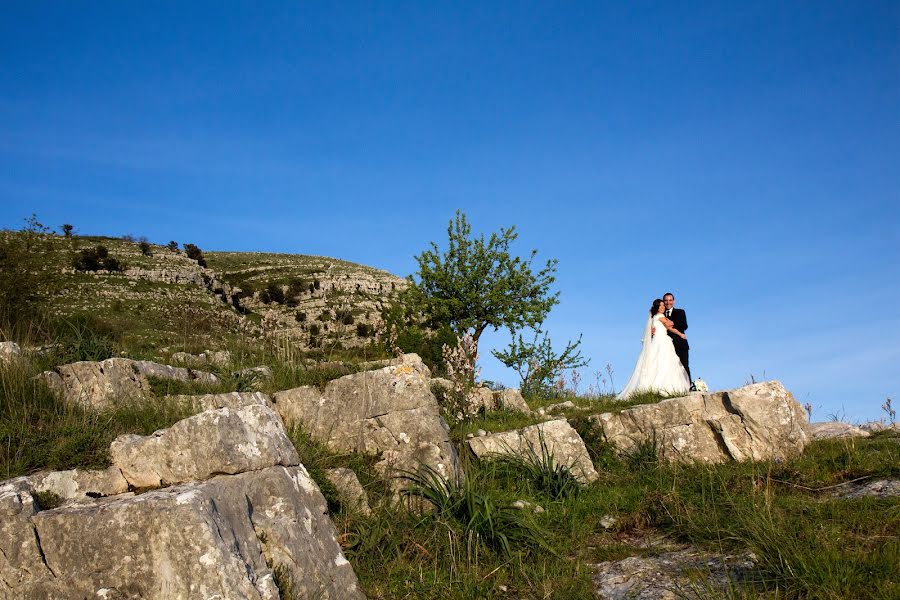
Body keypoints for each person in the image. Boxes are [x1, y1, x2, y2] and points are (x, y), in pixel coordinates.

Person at [617, 298, 690, 399]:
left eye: (663, 306)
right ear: (656, 307)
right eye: (660, 306)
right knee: (664, 363)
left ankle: (657, 387)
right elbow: (670, 326)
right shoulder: (660, 316)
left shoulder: (654, 317)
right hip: (662, 341)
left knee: (658, 363)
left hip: (658, 341)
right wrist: (680, 333)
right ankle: (664, 387)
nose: (662, 307)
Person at [662, 292, 692, 387]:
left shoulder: (680, 312)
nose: (668, 302)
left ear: (673, 301)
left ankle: (688, 386)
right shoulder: (660, 314)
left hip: (680, 344)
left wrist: (672, 323)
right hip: (665, 345)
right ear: (663, 302)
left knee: (684, 365)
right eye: (666, 300)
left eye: (670, 300)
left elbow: (684, 326)